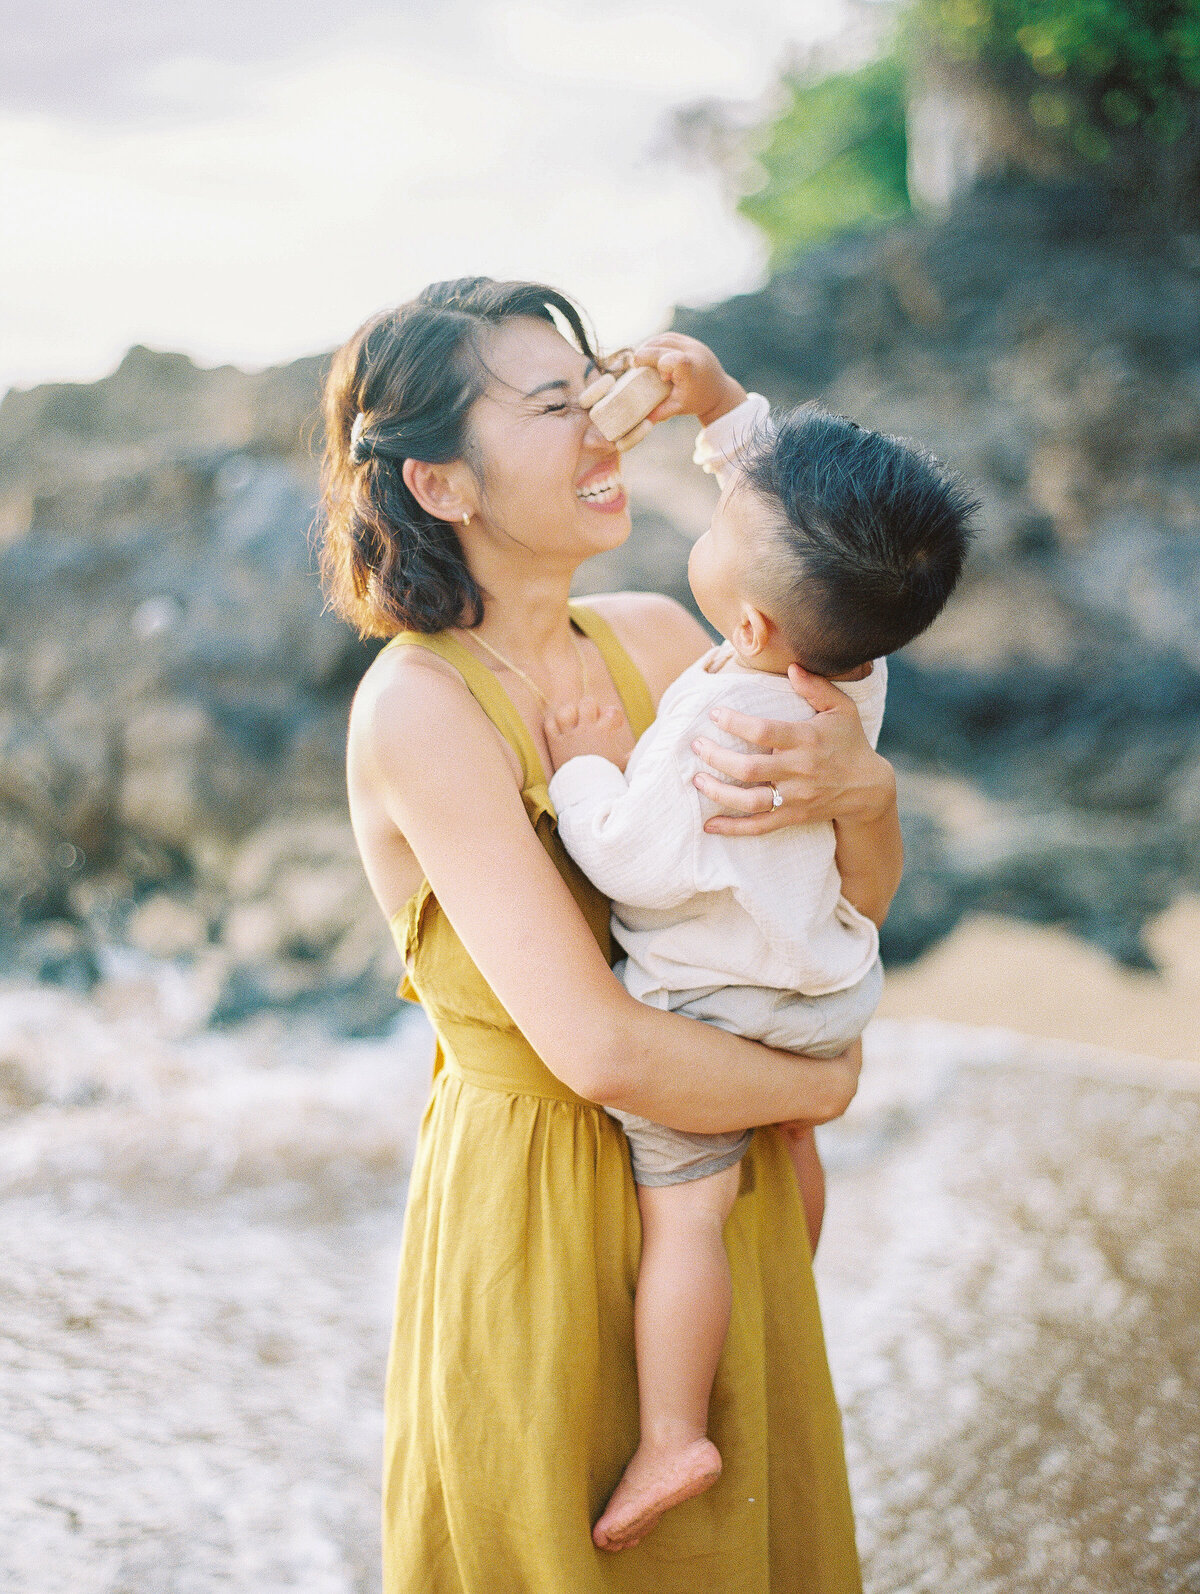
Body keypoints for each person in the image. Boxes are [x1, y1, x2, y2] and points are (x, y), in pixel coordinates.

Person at [319, 277, 903, 1593]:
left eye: (595, 387)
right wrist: (820, 1083)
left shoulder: (660, 638)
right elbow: (596, 1046)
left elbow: (840, 898)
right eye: (549, 403)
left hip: (717, 1196)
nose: (600, 425)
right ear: (443, 484)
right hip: (540, 1229)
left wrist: (864, 790)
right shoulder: (419, 709)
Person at [545, 359, 976, 1551]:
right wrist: (722, 400)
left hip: (717, 1008)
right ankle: (795, 1249)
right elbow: (789, 510)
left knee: (685, 1211)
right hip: (826, 990)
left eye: (720, 520)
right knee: (789, 1136)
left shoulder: (722, 727)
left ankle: (675, 1429)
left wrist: (583, 767)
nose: (716, 504)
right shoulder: (853, 670)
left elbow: (633, 861)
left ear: (742, 624)